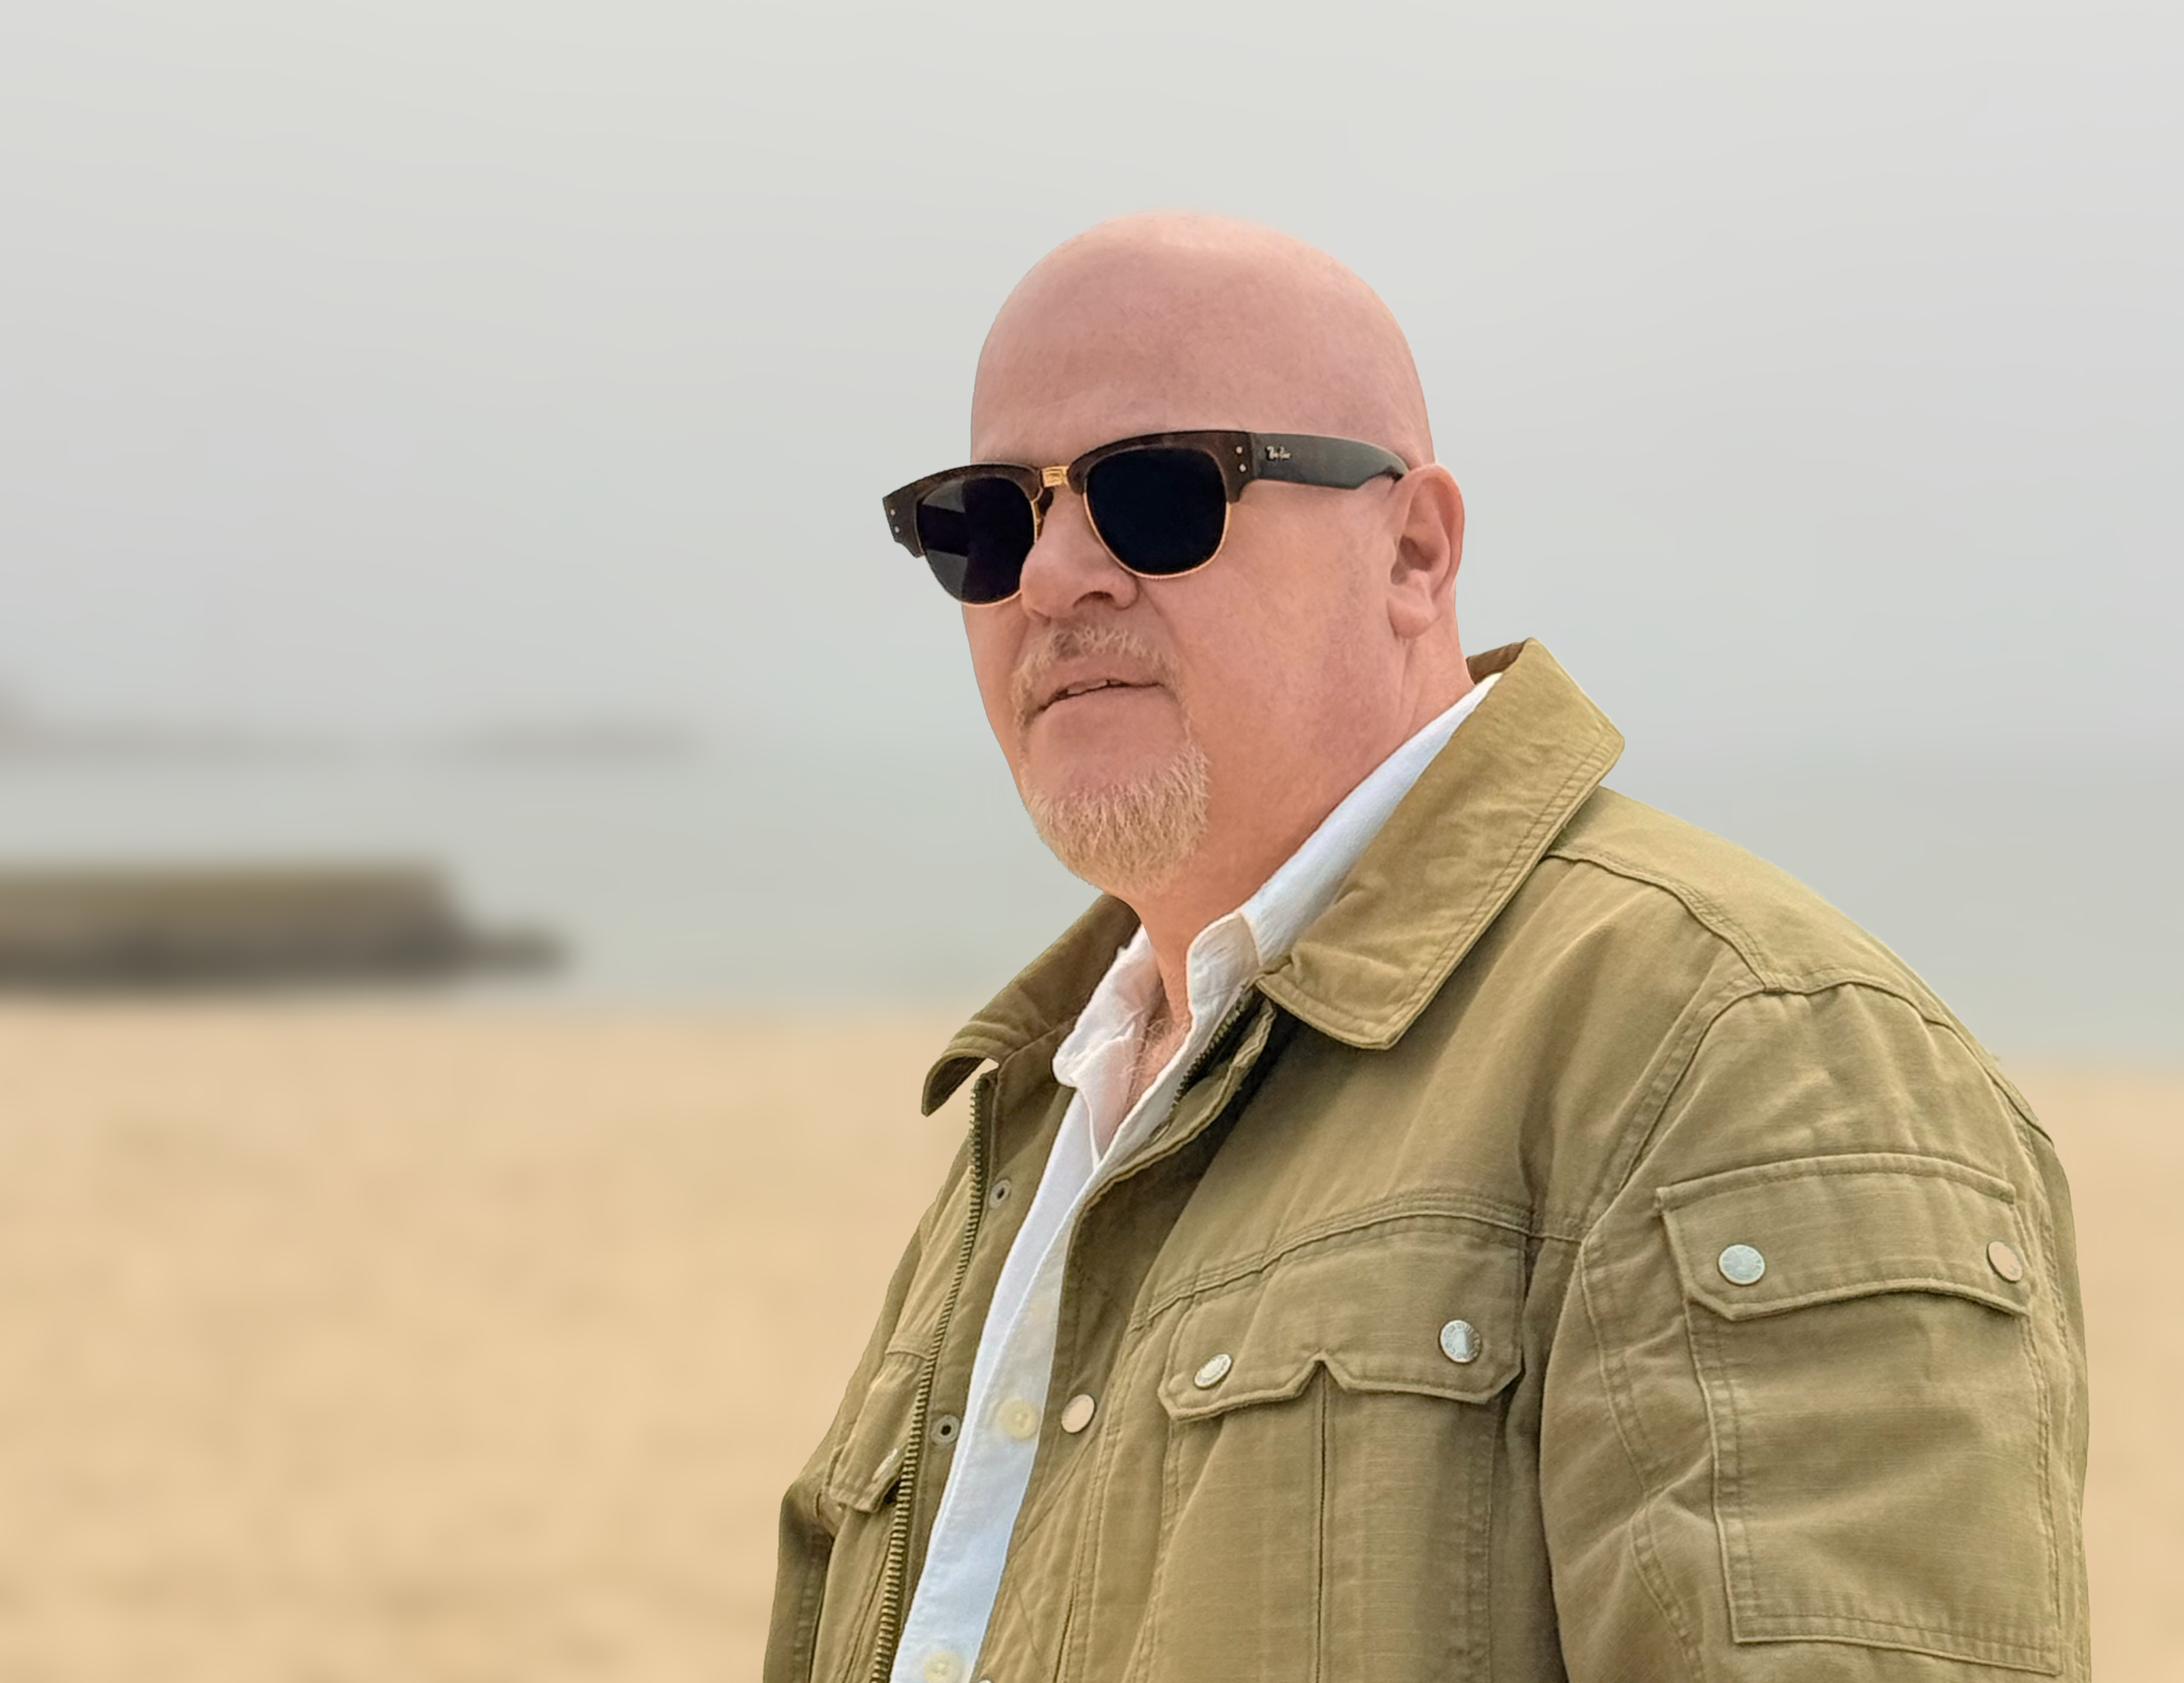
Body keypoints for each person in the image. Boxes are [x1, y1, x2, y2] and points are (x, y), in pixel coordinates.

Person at [765, 214, 2090, 1683]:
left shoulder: (1743, 1048)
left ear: (1413, 549)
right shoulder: (1043, 1117)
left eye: (1157, 495)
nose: (1053, 574)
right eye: (989, 522)